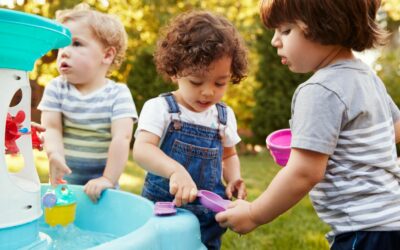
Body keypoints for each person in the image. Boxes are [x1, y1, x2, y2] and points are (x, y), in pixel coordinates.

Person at [216, 0, 400, 249]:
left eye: (286, 30)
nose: (274, 41)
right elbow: (393, 130)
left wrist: (253, 214)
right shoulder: (367, 77)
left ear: (324, 25)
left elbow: (304, 173)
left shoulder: (319, 89)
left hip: (365, 229)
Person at [133, 10, 248, 250]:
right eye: (196, 82)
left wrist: (234, 178)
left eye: (220, 83)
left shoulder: (223, 116)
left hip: (207, 217)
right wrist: (175, 171)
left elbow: (229, 154)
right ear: (175, 71)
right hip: (164, 211)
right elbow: (142, 150)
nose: (208, 92)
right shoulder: (161, 108)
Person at [38, 4, 137, 203]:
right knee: (62, 226)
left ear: (107, 55)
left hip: (103, 187)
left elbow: (122, 137)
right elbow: (52, 128)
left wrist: (108, 178)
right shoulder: (57, 88)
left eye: (76, 44)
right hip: (64, 182)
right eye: (61, 46)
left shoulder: (118, 94)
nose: (64, 52)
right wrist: (54, 154)